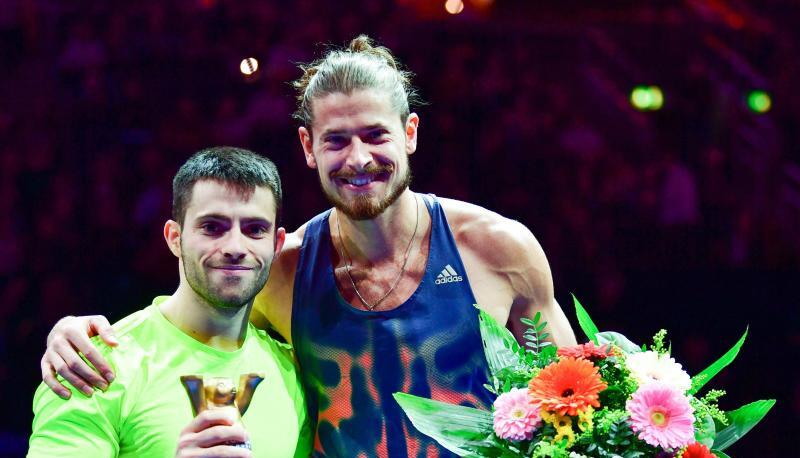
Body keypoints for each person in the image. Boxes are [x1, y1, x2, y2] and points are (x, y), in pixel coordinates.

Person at [40, 36, 577, 457]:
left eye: (376, 135)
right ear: (308, 147)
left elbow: (578, 405)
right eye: (337, 140)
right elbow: (194, 319)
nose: (359, 158)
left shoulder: (497, 251)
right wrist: (77, 333)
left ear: (410, 132)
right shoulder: (285, 269)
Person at [29, 147, 310, 457]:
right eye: (212, 227)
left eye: (255, 229)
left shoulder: (293, 372)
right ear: (174, 237)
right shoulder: (93, 365)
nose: (234, 247)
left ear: (277, 244)